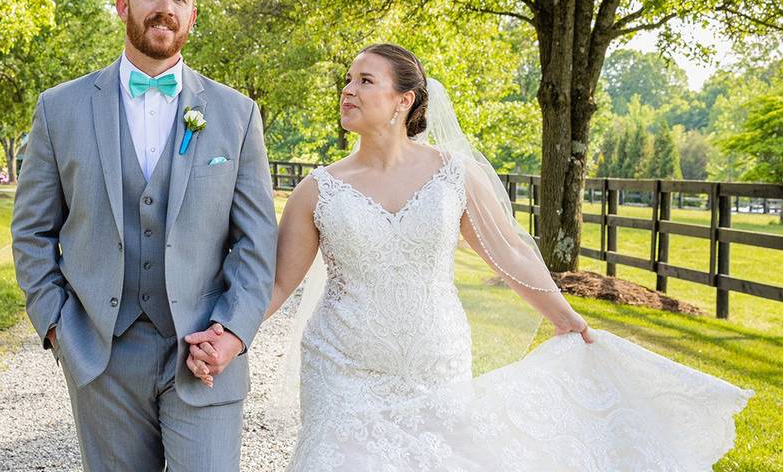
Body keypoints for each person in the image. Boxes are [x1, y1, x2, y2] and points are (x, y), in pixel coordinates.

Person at [189, 42, 752, 470]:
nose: (349, 90)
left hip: (435, 366)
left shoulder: (452, 176)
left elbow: (509, 253)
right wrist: (226, 335)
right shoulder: (318, 189)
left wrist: (566, 317)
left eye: (365, 80)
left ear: (404, 99)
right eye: (347, 81)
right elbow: (279, 284)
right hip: (342, 372)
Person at [12, 0, 277, 472]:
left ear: (192, 14)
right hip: (102, 356)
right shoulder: (59, 109)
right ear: (122, 5)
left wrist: (232, 332)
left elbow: (255, 240)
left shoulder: (236, 114)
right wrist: (58, 326)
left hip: (204, 352)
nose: (166, 8)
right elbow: (32, 232)